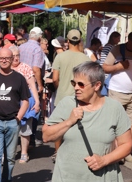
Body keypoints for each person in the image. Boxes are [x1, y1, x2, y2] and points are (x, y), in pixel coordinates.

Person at [42, 61, 132, 181]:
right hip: (67, 176)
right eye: (74, 83)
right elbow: (46, 136)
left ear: (97, 85)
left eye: (81, 84)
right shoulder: (67, 104)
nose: (76, 88)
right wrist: (69, 121)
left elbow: (126, 144)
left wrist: (104, 160)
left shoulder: (114, 108)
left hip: (103, 177)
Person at [0, 48, 30, 182]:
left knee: (10, 158)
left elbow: (25, 100)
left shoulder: (19, 78)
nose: (4, 61)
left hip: (12, 122)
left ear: (12, 59)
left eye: (7, 58)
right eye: (1, 58)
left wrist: (18, 118)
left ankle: (6, 179)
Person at [102, 30, 132, 163]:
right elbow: (105, 68)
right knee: (114, 122)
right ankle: (112, 151)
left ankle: (126, 152)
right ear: (129, 41)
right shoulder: (117, 50)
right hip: (116, 92)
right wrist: (119, 66)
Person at [51, 29, 90, 162]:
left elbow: (55, 78)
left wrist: (60, 88)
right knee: (78, 128)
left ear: (67, 41)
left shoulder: (60, 56)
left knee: (59, 128)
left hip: (62, 96)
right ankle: (76, 154)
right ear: (79, 41)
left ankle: (58, 152)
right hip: (81, 98)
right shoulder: (85, 58)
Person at [9, 45, 40, 164]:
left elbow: (32, 86)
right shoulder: (6, 68)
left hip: (25, 100)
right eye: (14, 56)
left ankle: (24, 153)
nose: (16, 58)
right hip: (10, 101)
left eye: (18, 55)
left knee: (25, 128)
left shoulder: (25, 67)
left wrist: (37, 102)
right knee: (9, 128)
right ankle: (8, 153)